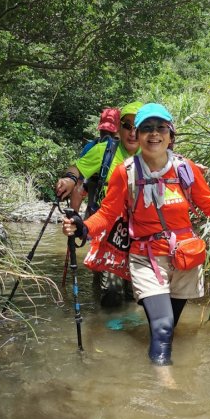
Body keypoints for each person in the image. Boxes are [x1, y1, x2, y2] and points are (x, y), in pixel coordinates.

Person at [62, 102, 210, 366]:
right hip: (146, 257)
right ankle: (164, 385)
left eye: (160, 128)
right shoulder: (126, 172)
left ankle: (152, 354)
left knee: (168, 327)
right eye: (146, 128)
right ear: (139, 134)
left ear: (170, 134)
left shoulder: (184, 168)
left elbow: (209, 204)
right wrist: (84, 228)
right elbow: (108, 214)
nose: (153, 134)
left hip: (184, 258)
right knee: (165, 327)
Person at [57, 101, 142, 305]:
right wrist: (69, 178)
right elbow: (78, 170)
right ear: (118, 129)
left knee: (137, 293)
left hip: (140, 231)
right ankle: (108, 327)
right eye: (127, 126)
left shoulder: (153, 152)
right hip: (108, 227)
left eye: (138, 127)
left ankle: (126, 327)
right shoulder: (104, 150)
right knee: (112, 291)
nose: (132, 133)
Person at [70, 107, 121, 214]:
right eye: (104, 132)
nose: (107, 137)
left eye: (111, 133)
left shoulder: (132, 150)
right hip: (96, 206)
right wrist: (73, 218)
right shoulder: (91, 148)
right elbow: (78, 183)